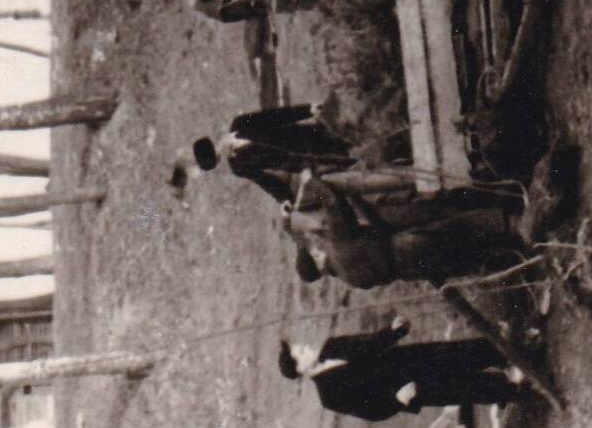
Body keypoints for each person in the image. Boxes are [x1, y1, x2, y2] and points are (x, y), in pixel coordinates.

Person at [283, 171, 525, 290]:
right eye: (314, 250)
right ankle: (516, 225)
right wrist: (310, 180)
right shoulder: (337, 245)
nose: (317, 246)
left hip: (408, 270)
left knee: (463, 257)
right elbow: (334, 203)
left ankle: (518, 255)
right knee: (460, 228)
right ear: (316, 258)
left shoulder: (350, 280)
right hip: (404, 244)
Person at [278, 321, 528, 419]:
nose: (306, 347)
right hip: (408, 388)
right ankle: (517, 390)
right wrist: (397, 399)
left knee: (458, 353)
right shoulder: (329, 396)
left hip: (408, 359)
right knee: (460, 388)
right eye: (300, 352)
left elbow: (369, 343)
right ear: (300, 369)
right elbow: (370, 410)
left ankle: (514, 351)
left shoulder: (332, 346)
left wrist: (395, 331)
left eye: (300, 346)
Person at [192, 104, 352, 204]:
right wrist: (285, 199)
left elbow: (275, 116)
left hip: (307, 137)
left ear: (216, 141)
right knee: (347, 168)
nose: (224, 154)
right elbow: (267, 181)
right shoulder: (238, 166)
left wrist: (307, 110)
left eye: (218, 151)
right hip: (305, 164)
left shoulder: (240, 123)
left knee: (350, 141)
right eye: (220, 159)